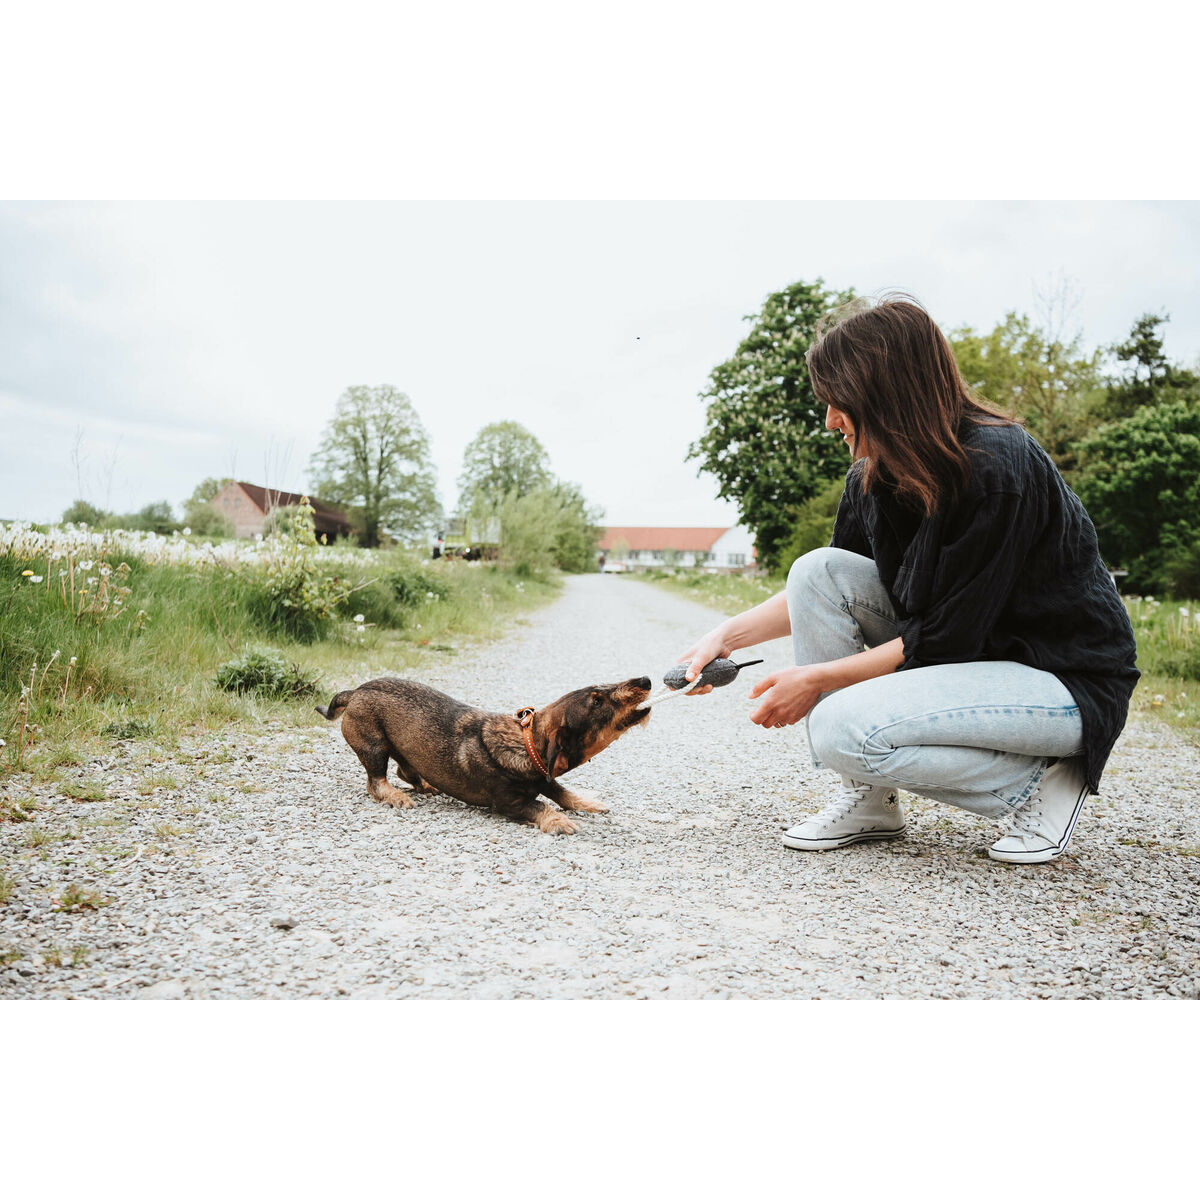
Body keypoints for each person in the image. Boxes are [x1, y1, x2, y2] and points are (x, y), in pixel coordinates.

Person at [678, 295, 1139, 864]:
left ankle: (1042, 781)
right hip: (974, 660)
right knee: (816, 569)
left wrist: (815, 680)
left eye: (838, 402)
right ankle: (869, 801)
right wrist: (724, 636)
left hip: (1061, 681)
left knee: (839, 729)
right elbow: (826, 592)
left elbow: (945, 639)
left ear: (886, 395)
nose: (829, 420)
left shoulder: (997, 465)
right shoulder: (873, 475)